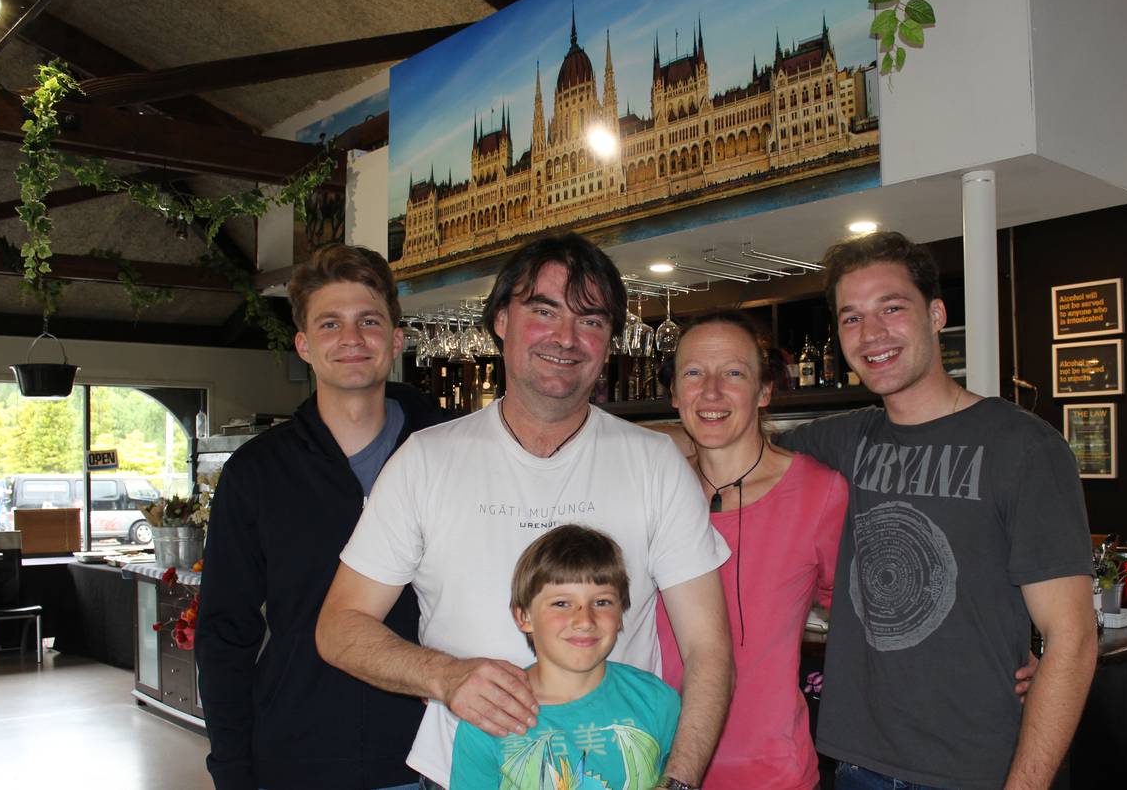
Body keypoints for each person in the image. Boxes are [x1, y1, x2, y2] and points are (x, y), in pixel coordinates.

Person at [315, 232, 734, 790]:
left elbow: (709, 649)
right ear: (501, 321)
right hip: (462, 775)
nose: (566, 338)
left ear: (609, 341)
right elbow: (339, 628)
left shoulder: (655, 463)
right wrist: (444, 676)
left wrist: (679, 781)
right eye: (544, 311)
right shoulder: (426, 460)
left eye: (591, 320)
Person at [777, 231, 1097, 790]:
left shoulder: (1023, 448)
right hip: (856, 763)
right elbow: (731, 448)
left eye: (891, 308)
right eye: (851, 318)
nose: (871, 333)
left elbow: (1072, 637)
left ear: (936, 314)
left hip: (976, 770)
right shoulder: (847, 440)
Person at [195, 243, 446, 790]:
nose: (352, 339)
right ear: (304, 346)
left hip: (437, 758)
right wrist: (232, 770)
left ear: (396, 340)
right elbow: (225, 635)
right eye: (330, 324)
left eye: (369, 321)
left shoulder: (454, 454)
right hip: (298, 760)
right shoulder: (256, 473)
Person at [654, 312, 848, 790]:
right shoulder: (653, 489)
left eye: (734, 373)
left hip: (771, 774)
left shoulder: (819, 493)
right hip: (647, 763)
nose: (712, 392)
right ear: (675, 393)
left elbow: (863, 621)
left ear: (764, 392)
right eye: (694, 373)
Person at [451, 525, 681, 788]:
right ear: (524, 616)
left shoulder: (656, 701)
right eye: (562, 603)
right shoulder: (490, 715)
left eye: (602, 602)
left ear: (621, 614)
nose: (584, 620)